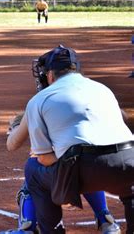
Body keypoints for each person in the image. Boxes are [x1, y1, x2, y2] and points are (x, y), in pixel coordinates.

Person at [20, 45, 134, 233]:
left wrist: (68, 157)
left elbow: (44, 158)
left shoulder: (39, 100)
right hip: (129, 161)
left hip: (84, 167)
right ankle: (110, 221)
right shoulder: (102, 89)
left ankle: (52, 230)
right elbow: (123, 118)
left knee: (33, 169)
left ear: (49, 75)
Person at [4, 111, 121, 234]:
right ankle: (107, 221)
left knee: (31, 179)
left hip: (60, 172)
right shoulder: (83, 104)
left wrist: (17, 127)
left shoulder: (38, 108)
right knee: (85, 169)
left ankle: (27, 228)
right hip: (101, 162)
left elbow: (13, 145)